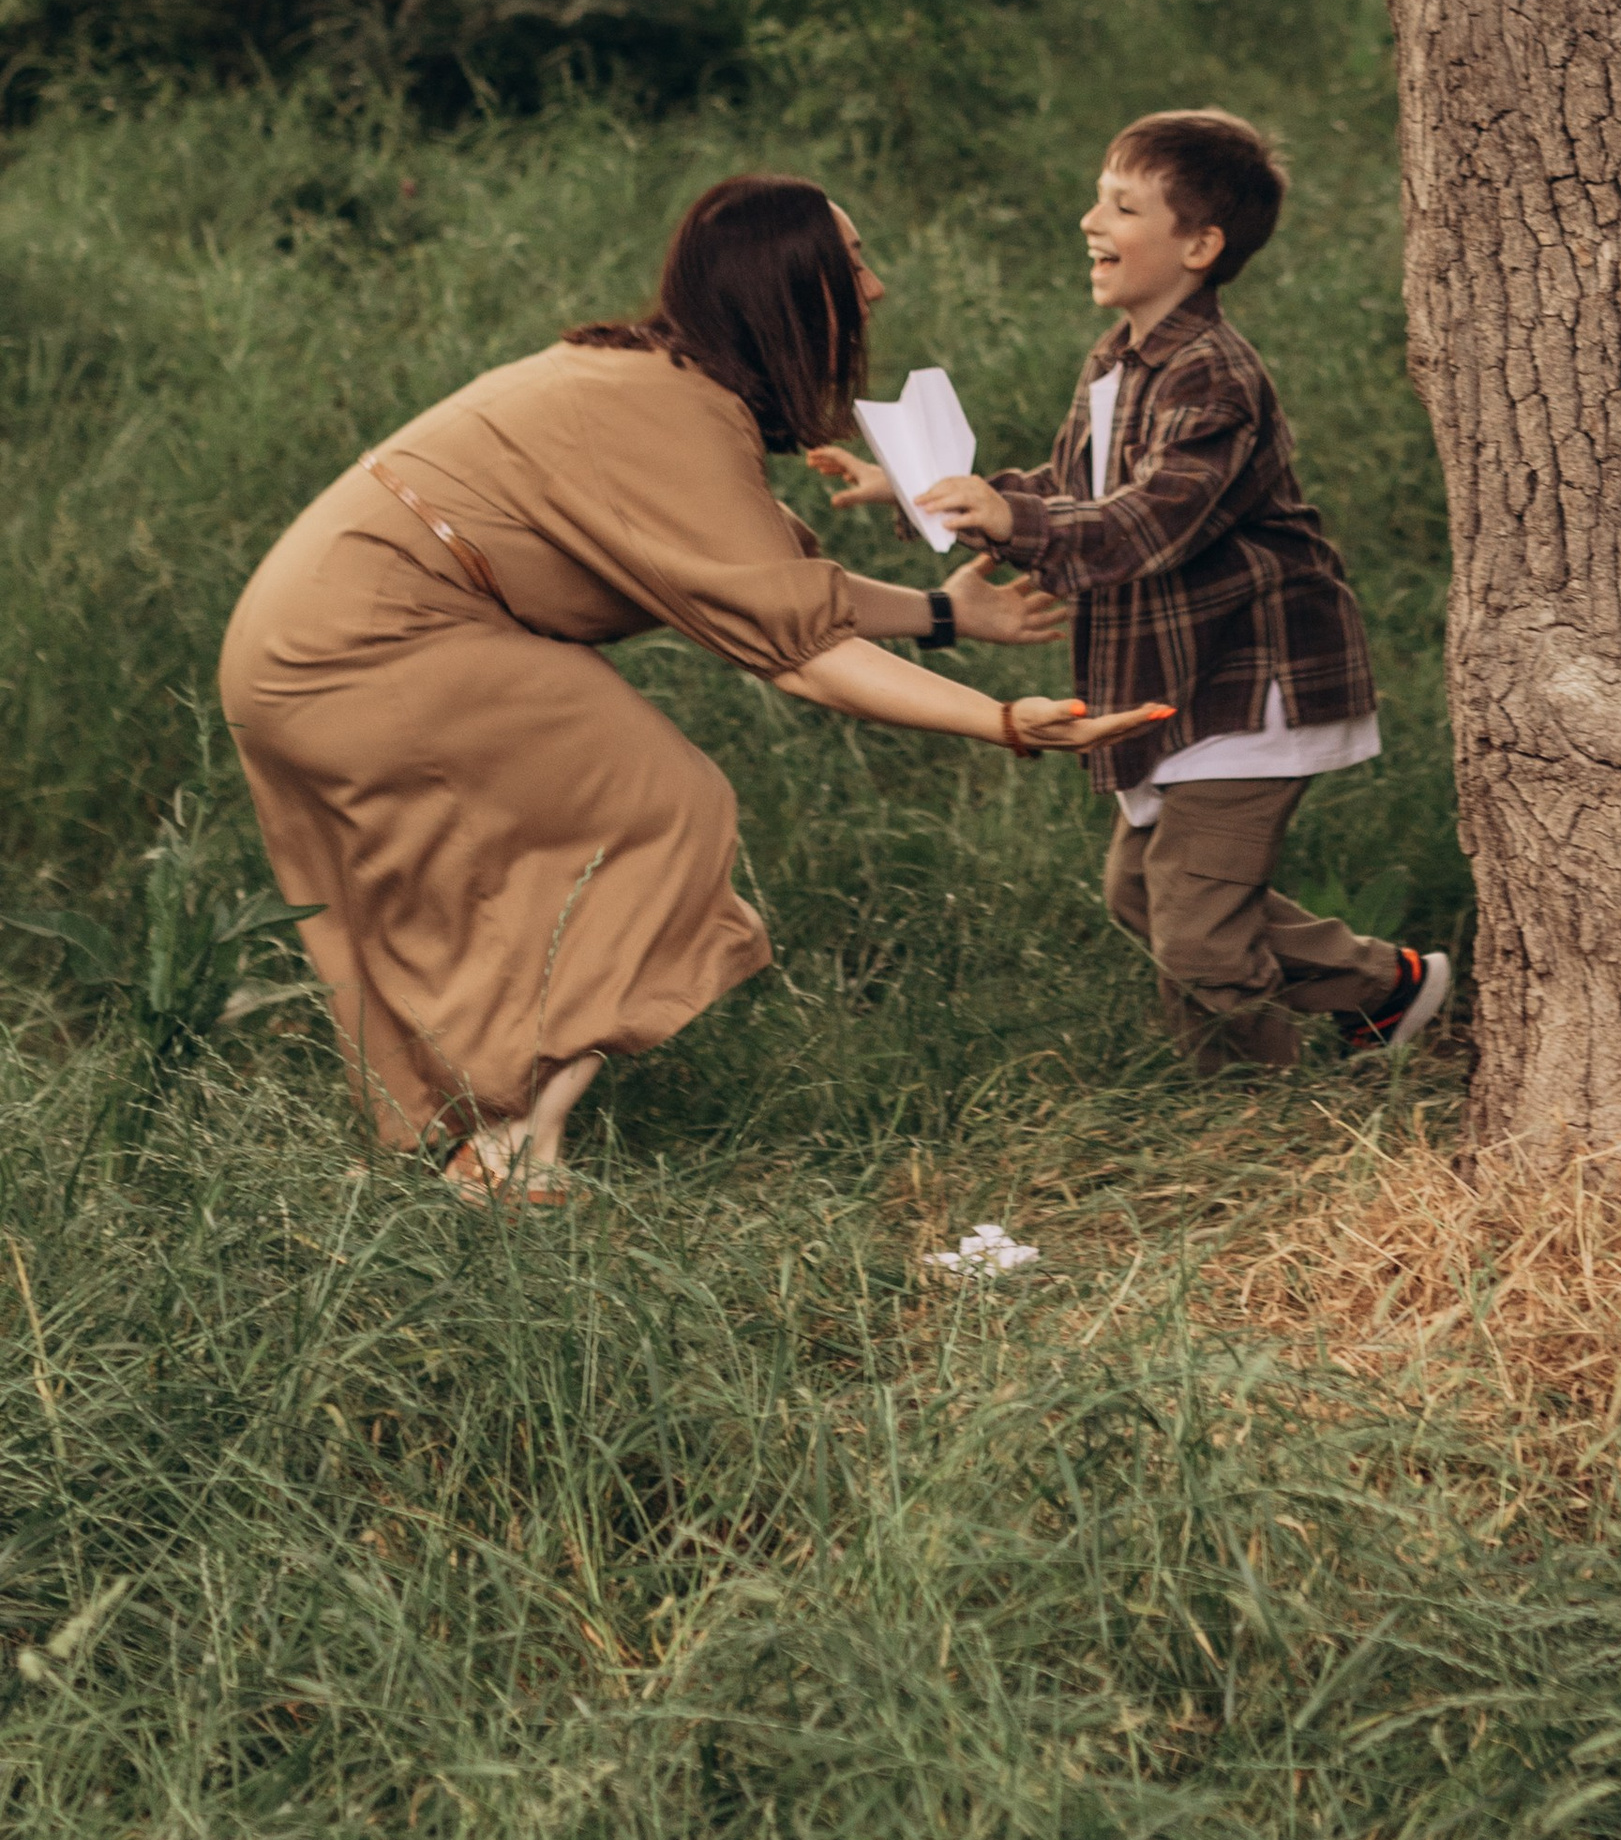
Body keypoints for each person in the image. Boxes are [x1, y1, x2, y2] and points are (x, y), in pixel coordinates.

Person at [219, 174, 1166, 1203]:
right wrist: (999, 722)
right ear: (791, 292)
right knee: (664, 807)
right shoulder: (667, 410)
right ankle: (509, 1155)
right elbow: (799, 655)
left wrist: (946, 615)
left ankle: (478, 1134)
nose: (877, 289)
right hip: (374, 641)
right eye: (852, 265)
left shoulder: (642, 376)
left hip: (307, 637)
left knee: (492, 864)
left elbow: (766, 592)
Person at [876, 109, 1451, 1074]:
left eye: (1122, 205)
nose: (1091, 221)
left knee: (1196, 932)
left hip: (1251, 676)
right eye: (1098, 197)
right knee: (1146, 894)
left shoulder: (1214, 378)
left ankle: (1255, 1114)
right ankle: (1386, 990)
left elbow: (1151, 524)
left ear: (1199, 244)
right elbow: (1074, 498)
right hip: (1180, 677)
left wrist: (1016, 523)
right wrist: (922, 493)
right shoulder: (1118, 357)